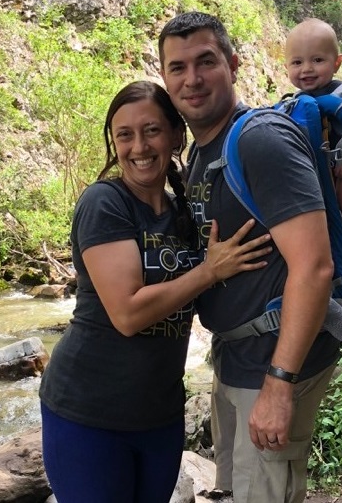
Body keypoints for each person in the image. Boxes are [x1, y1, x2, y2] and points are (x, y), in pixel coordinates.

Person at [39, 81, 272, 503]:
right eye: (124, 135)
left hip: (158, 414)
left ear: (175, 136)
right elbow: (127, 314)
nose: (138, 146)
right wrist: (208, 271)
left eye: (151, 130)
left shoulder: (184, 211)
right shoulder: (105, 203)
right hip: (89, 413)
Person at [159, 12, 342, 503]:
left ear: (234, 64)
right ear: (165, 78)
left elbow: (315, 266)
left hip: (272, 366)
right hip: (236, 361)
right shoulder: (201, 154)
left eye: (206, 62)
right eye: (177, 68)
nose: (192, 79)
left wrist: (279, 385)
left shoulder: (259, 139)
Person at [285, 17, 342, 240]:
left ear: (337, 63)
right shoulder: (293, 102)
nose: (307, 69)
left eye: (317, 60)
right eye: (297, 63)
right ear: (286, 67)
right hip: (317, 172)